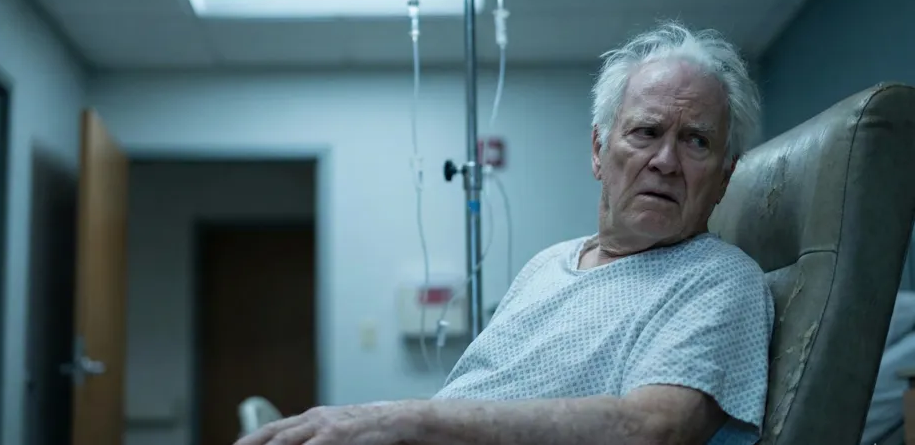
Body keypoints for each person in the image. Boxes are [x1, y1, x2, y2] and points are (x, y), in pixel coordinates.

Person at [236, 22, 775, 445]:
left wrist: (402, 419)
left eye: (697, 142)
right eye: (647, 132)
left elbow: (653, 429)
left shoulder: (721, 281)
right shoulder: (547, 265)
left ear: (724, 176)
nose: (665, 161)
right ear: (598, 151)